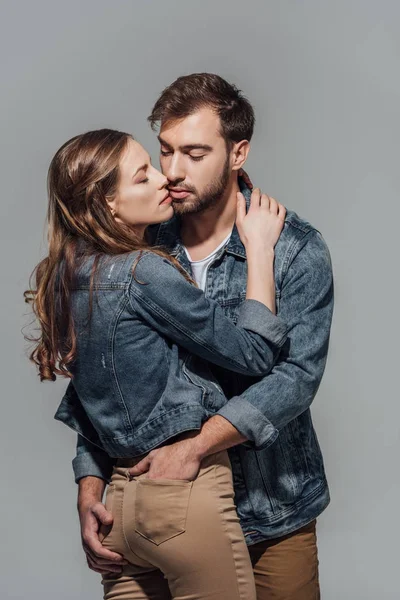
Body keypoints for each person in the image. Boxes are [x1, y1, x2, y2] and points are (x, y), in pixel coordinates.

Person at [73, 73, 334, 599]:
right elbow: (106, 374)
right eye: (165, 150)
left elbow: (296, 377)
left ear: (238, 153)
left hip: (271, 511)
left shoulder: (295, 249)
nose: (171, 171)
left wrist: (197, 445)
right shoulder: (140, 241)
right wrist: (90, 481)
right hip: (165, 511)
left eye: (194, 153)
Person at [26, 128, 287, 599]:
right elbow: (254, 354)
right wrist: (261, 250)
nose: (164, 178)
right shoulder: (142, 272)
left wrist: (89, 491)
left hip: (118, 510)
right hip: (182, 501)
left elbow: (89, 403)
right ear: (108, 204)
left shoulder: (68, 279)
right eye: (142, 176)